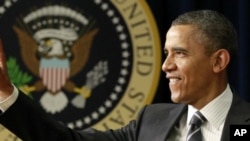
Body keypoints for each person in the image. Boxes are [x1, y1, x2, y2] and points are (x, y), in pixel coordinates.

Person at [0, 9, 250, 141]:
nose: (166, 65)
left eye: (180, 53)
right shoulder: (151, 121)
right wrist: (7, 94)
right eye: (166, 53)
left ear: (218, 61)